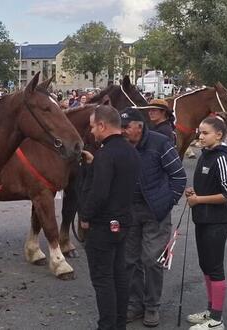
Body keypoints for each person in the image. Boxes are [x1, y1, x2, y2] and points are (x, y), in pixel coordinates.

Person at [119, 107, 186, 327]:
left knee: (151, 260)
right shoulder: (121, 145)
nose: (122, 131)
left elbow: (178, 176)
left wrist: (167, 202)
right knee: (130, 261)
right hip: (129, 211)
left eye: (126, 127)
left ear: (139, 126)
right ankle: (135, 305)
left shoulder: (160, 143)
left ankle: (152, 307)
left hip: (155, 212)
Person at [79, 105, 141, 330]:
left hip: (103, 225)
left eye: (94, 126)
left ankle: (106, 325)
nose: (92, 131)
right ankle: (119, 323)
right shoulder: (130, 150)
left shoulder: (106, 154)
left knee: (103, 279)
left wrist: (86, 216)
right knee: (119, 276)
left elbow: (100, 192)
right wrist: (94, 164)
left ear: (103, 126)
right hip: (123, 221)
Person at [185, 116, 227, 330]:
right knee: (205, 265)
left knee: (215, 268)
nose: (200, 136)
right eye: (200, 132)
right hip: (202, 219)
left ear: (219, 134)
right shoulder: (205, 155)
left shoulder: (221, 158)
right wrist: (194, 192)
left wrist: (199, 200)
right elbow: (208, 186)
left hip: (217, 222)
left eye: (205, 133)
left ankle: (217, 319)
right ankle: (210, 309)